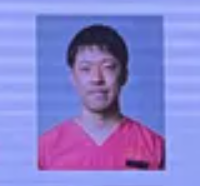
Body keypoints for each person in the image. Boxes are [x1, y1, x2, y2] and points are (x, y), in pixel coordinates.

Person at [38, 24, 165, 171]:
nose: (96, 78)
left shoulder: (156, 147)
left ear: (124, 75)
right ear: (72, 78)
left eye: (108, 67)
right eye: (86, 68)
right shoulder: (44, 149)